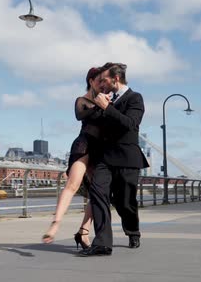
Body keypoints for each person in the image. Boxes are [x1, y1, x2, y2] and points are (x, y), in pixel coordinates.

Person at [79, 62, 148, 257]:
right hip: (105, 158)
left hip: (127, 159)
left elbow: (131, 125)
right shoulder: (103, 99)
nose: (101, 84)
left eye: (104, 80)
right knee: (98, 193)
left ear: (115, 79)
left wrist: (106, 107)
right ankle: (102, 243)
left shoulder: (135, 98)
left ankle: (132, 231)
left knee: (124, 202)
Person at [42, 67, 105, 250]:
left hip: (100, 149)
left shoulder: (106, 100)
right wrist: (101, 106)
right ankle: (55, 224)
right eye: (99, 81)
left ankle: (84, 231)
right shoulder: (82, 100)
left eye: (104, 81)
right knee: (72, 184)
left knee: (99, 193)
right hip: (84, 146)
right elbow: (80, 114)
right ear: (91, 81)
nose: (103, 85)